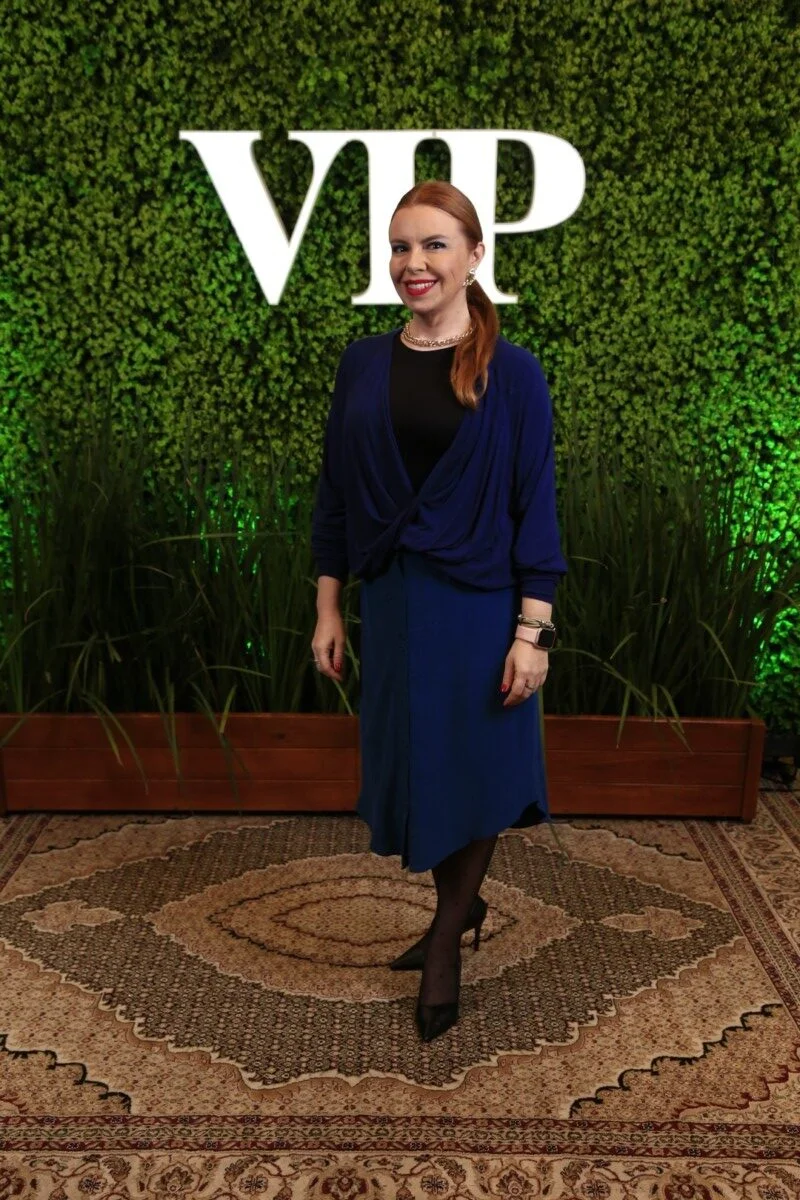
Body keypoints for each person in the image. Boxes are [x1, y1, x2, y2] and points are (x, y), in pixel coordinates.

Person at [310, 180, 568, 1043]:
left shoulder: (514, 372)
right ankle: (460, 906)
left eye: (433, 245)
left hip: (482, 610)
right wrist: (329, 608)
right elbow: (335, 496)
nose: (413, 263)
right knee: (422, 767)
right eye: (400, 247)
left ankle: (448, 935)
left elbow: (537, 508)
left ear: (474, 256)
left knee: (476, 770)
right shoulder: (361, 363)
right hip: (392, 605)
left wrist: (532, 632)